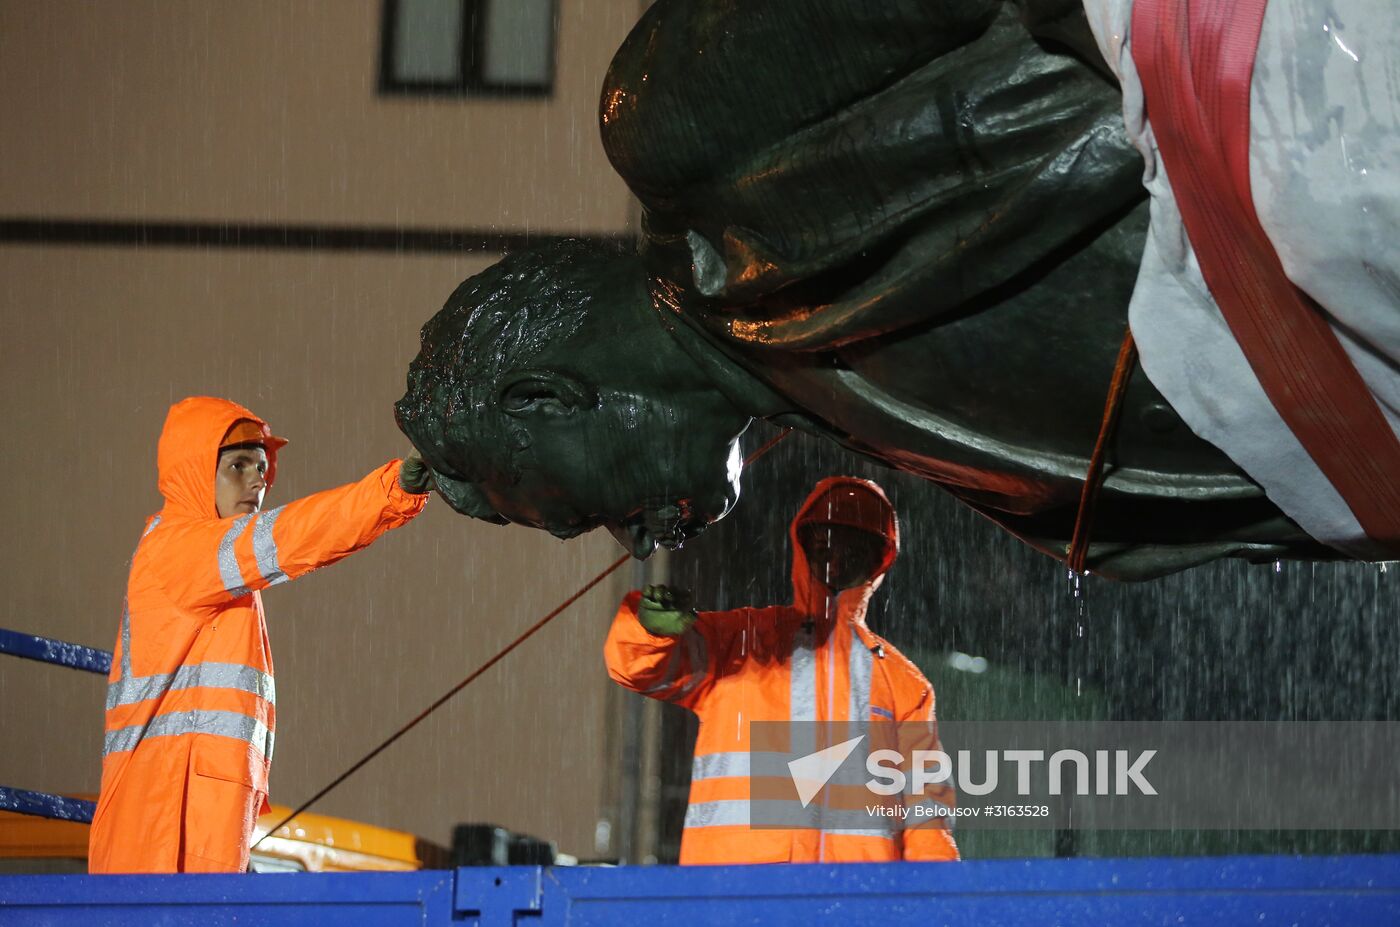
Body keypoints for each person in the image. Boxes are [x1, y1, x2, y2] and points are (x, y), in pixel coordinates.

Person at [88, 396, 434, 873]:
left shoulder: (213, 574)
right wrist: (392, 489)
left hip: (188, 813)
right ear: (195, 473)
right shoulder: (178, 553)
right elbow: (291, 536)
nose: (257, 481)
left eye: (262, 468)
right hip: (163, 822)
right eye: (238, 466)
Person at [604, 477, 959, 864]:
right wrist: (649, 631)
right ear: (802, 546)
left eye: (854, 548)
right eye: (823, 544)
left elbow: (928, 818)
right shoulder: (739, 642)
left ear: (879, 561)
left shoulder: (906, 687)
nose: (836, 558)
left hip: (853, 906)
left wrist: (936, 905)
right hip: (738, 898)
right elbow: (637, 667)